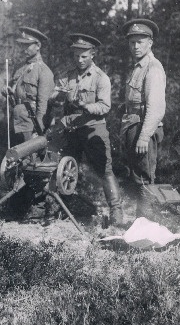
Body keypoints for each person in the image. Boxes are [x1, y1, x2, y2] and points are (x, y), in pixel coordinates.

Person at [50, 33, 125, 228]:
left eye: (84, 56)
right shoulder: (67, 75)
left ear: (93, 54)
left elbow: (105, 107)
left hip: (93, 129)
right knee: (65, 168)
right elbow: (54, 96)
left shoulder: (101, 78)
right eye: (76, 56)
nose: (80, 60)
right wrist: (57, 95)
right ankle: (65, 208)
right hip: (71, 130)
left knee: (105, 170)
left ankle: (116, 212)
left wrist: (85, 105)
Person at [120, 18, 166, 218]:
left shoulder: (153, 68)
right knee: (136, 176)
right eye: (132, 42)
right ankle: (141, 222)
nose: (136, 46)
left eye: (140, 41)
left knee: (144, 178)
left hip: (143, 128)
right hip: (133, 126)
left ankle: (146, 225)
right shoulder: (138, 67)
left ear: (150, 43)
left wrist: (144, 137)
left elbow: (155, 108)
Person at [4, 26, 55, 145]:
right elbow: (15, 92)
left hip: (30, 122)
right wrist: (7, 91)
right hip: (16, 118)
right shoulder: (19, 68)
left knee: (29, 157)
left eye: (27, 45)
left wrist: (39, 126)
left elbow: (44, 103)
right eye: (22, 45)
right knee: (15, 156)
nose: (23, 49)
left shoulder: (44, 71)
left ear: (38, 46)